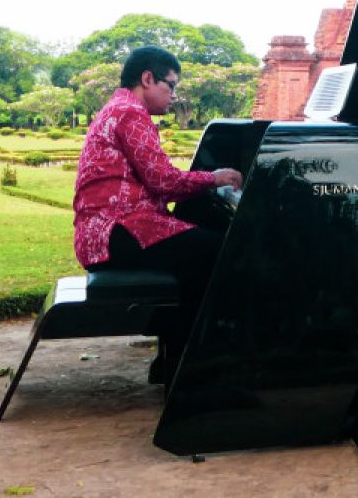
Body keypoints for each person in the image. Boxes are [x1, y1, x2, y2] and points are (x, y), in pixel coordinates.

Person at [73, 45, 242, 381]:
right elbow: (163, 180)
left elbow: (154, 178)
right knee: (221, 252)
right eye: (171, 85)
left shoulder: (118, 108)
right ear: (147, 78)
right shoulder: (131, 112)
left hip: (103, 233)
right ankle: (193, 369)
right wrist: (215, 177)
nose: (174, 95)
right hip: (117, 231)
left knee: (197, 252)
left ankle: (172, 362)